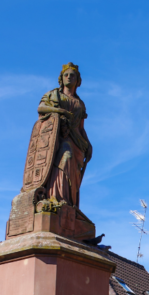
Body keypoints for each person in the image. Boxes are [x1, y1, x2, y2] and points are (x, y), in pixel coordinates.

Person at [29, 63, 93, 207]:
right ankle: (56, 197)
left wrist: (88, 144)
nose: (69, 77)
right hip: (58, 138)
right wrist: (61, 112)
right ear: (61, 78)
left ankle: (69, 204)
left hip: (77, 141)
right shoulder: (53, 95)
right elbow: (41, 108)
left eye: (72, 75)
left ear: (78, 80)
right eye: (66, 75)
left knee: (74, 172)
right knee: (65, 156)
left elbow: (81, 128)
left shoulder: (80, 104)